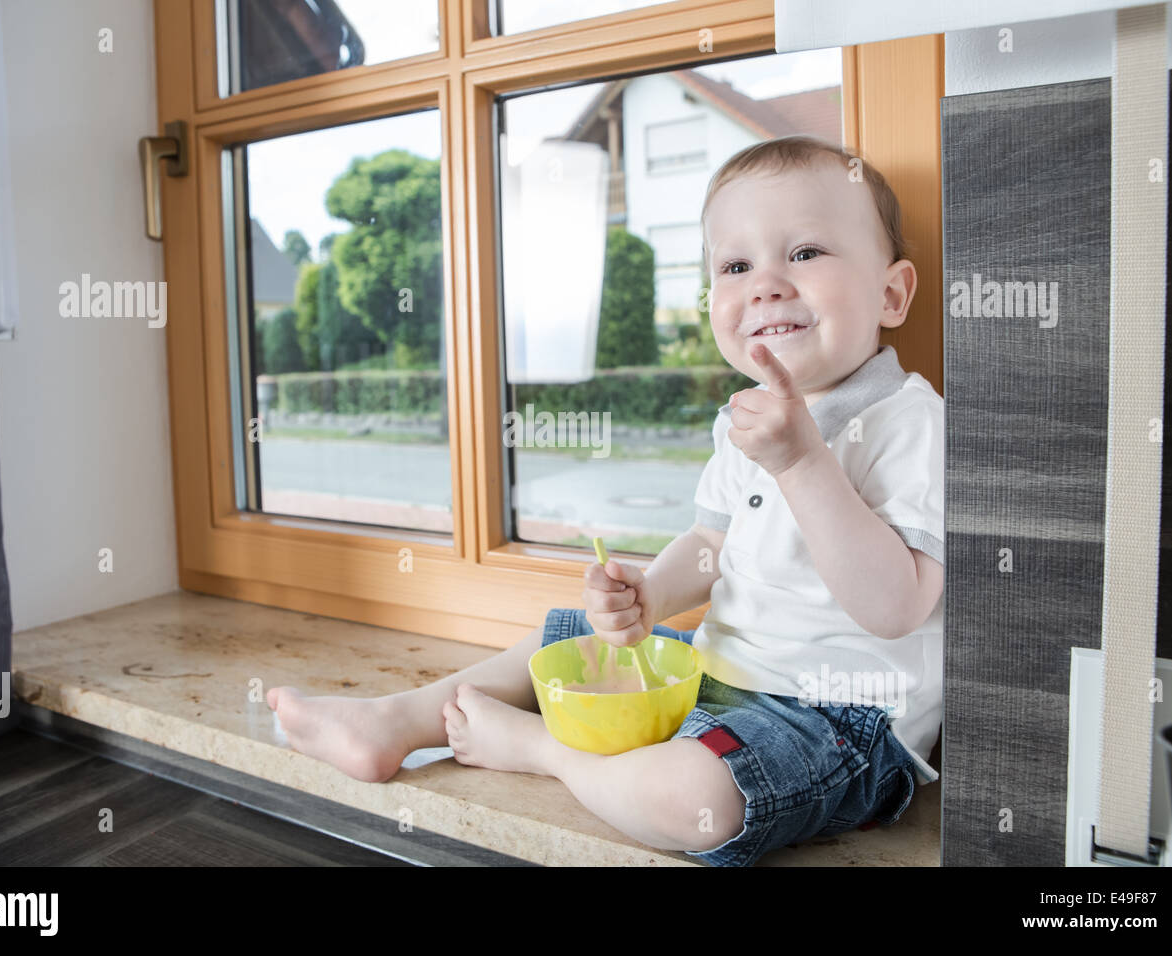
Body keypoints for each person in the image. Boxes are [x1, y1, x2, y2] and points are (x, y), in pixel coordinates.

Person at [267, 135, 944, 867]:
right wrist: (652, 592)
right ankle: (393, 722)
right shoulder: (741, 417)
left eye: (806, 253)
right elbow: (714, 543)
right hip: (718, 674)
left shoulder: (912, 422)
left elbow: (895, 606)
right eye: (736, 265)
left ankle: (542, 751)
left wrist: (804, 462)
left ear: (891, 293)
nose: (767, 283)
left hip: (842, 718)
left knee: (699, 800)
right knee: (563, 645)